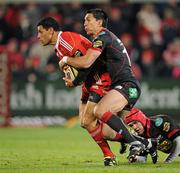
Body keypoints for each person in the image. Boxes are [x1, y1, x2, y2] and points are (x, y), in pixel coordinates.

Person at [37, 16, 127, 166]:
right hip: (88, 83)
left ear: (50, 31)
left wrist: (75, 81)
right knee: (85, 123)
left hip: (99, 79)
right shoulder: (58, 46)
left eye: (40, 32)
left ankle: (114, 153)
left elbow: (88, 64)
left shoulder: (66, 40)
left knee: (88, 120)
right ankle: (126, 139)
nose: (38, 36)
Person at [59, 8, 146, 162]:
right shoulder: (104, 39)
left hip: (127, 85)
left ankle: (135, 143)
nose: (84, 23)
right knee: (107, 132)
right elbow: (90, 68)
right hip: (124, 86)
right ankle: (150, 144)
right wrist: (75, 81)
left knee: (100, 110)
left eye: (88, 20)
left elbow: (86, 62)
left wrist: (65, 59)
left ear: (99, 22)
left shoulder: (103, 36)